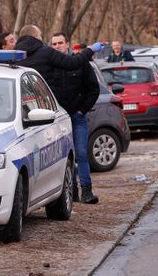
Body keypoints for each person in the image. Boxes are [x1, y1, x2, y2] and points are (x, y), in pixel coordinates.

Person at [51, 32, 101, 204]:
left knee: (80, 153)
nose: (57, 46)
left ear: (67, 44)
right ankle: (71, 192)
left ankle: (86, 190)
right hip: (59, 119)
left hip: (77, 117)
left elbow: (94, 89)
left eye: (60, 43)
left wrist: (82, 110)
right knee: (65, 156)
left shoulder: (81, 64)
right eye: (54, 44)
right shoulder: (51, 66)